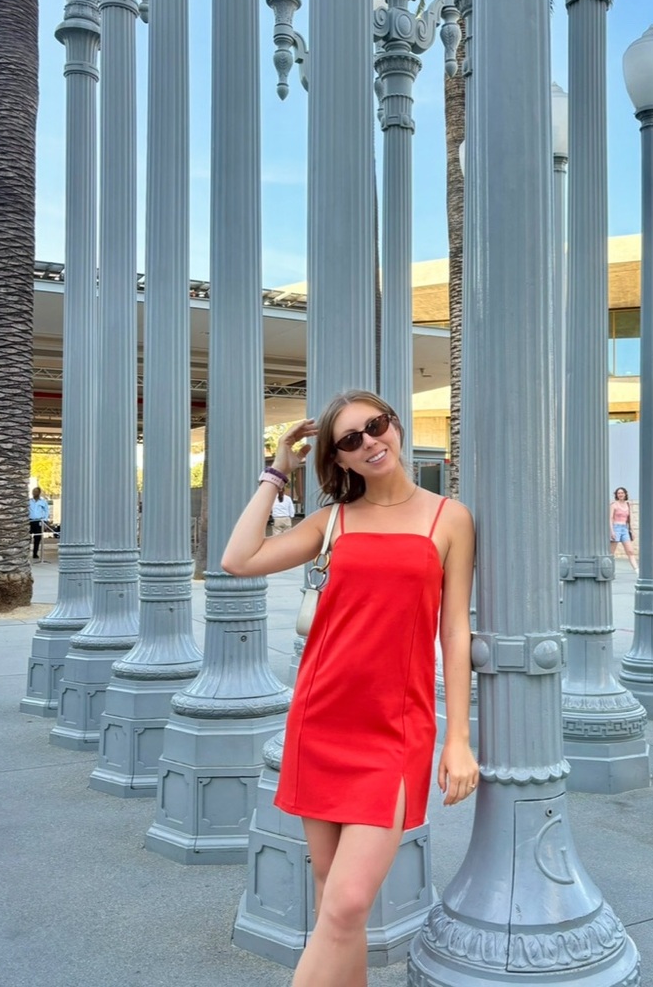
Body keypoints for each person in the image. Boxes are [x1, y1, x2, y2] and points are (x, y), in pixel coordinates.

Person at [222, 389, 478, 986]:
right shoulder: (331, 521)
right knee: (332, 902)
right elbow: (238, 559)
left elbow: (456, 632)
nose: (370, 442)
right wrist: (275, 471)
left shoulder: (450, 518)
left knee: (345, 905)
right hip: (321, 719)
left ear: (395, 425)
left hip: (396, 729)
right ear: (337, 459)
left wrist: (458, 737)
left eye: (377, 425)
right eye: (350, 440)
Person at [609, 486, 639, 572]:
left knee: (630, 551)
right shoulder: (614, 505)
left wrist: (632, 531)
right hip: (616, 528)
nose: (620, 494)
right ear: (616, 495)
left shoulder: (628, 504)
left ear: (625, 494)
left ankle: (637, 570)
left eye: (622, 493)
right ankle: (609, 570)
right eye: (618, 493)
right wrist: (612, 531)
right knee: (611, 553)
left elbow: (630, 519)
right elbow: (610, 518)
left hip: (625, 529)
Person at [28, 487, 50, 559]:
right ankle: (26, 552)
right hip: (30, 521)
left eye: (36, 491)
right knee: (28, 537)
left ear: (39, 493)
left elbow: (46, 511)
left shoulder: (43, 502)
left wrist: (45, 520)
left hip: (38, 521)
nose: (34, 493)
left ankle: (35, 553)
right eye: (33, 491)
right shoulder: (29, 501)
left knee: (37, 538)